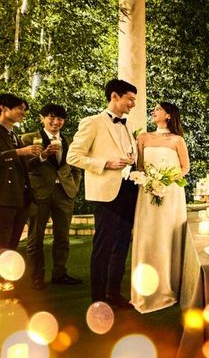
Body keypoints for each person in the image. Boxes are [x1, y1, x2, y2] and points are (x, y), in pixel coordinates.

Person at [67, 79, 138, 308]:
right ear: (115, 96)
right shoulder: (92, 122)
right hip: (106, 194)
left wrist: (132, 160)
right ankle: (97, 300)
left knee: (122, 244)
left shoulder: (128, 125)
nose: (133, 104)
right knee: (103, 247)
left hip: (128, 190)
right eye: (130, 99)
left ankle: (113, 293)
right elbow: (73, 156)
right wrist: (106, 163)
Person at [131, 102, 189, 313]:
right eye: (153, 109)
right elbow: (139, 167)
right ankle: (145, 290)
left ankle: (170, 285)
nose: (153, 112)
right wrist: (149, 181)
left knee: (167, 234)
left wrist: (164, 180)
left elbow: (185, 168)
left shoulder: (177, 140)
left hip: (171, 193)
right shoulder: (143, 138)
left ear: (168, 115)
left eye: (158, 109)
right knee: (148, 236)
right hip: (147, 192)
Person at [22, 104, 82, 290]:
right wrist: (43, 156)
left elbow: (76, 166)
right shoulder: (28, 138)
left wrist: (74, 186)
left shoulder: (70, 140)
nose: (56, 122)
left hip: (64, 192)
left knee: (62, 237)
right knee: (35, 238)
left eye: (60, 119)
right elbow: (24, 167)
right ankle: (36, 277)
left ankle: (60, 274)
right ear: (42, 118)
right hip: (38, 193)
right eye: (51, 117)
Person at [0, 94, 40, 252]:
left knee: (12, 247)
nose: (23, 113)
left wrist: (43, 156)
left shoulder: (15, 136)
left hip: (20, 199)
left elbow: (23, 168)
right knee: (2, 245)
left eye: (24, 110)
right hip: (3, 199)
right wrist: (19, 152)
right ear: (3, 107)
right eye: (19, 108)